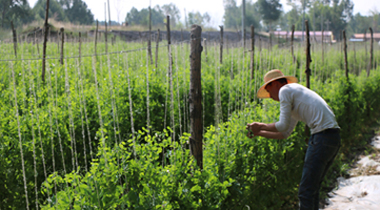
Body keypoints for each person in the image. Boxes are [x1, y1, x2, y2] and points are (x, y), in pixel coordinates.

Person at [246, 69, 341, 210]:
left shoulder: (285, 90)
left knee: (306, 192)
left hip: (321, 137)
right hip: (332, 138)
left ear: (276, 84)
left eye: (268, 88)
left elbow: (282, 125)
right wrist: (259, 132)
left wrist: (260, 125)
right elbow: (284, 133)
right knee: (312, 190)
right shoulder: (294, 93)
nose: (269, 95)